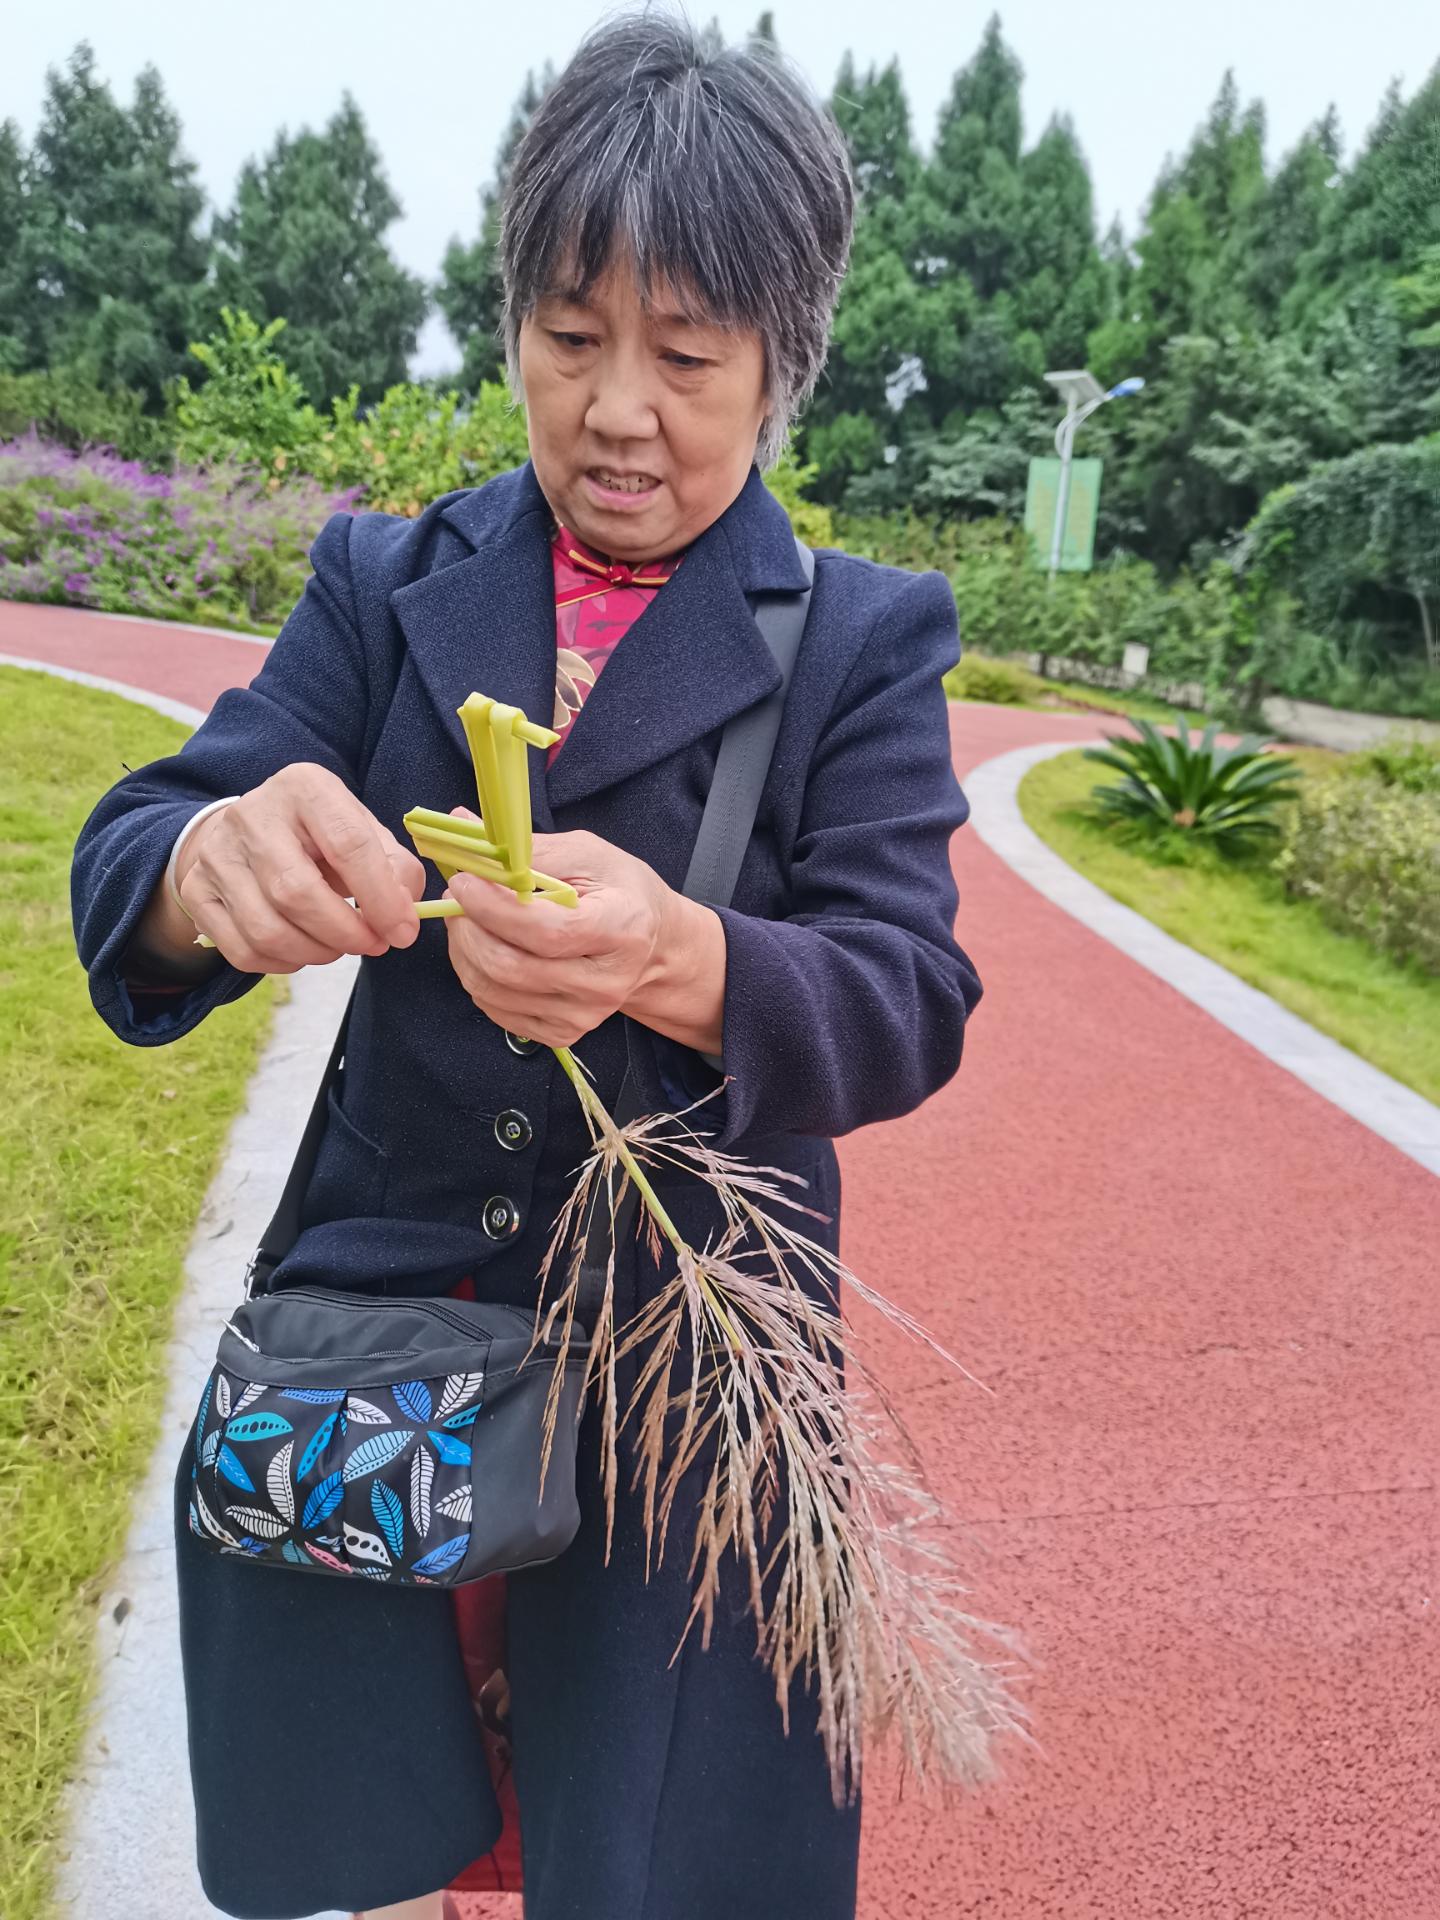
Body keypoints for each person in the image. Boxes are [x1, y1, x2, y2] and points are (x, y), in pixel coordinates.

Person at [69, 12, 983, 1919]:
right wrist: (205, 868)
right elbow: (138, 853)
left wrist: (680, 956)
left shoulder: (862, 641)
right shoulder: (388, 582)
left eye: (685, 355)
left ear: (782, 365)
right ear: (515, 328)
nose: (617, 409)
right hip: (378, 1347)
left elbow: (909, 994)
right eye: (571, 341)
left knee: (641, 1862)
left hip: (690, 1374)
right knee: (377, 1843)